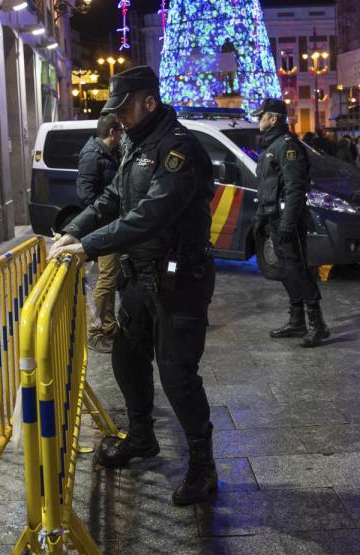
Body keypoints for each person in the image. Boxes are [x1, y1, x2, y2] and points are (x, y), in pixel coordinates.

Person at [49, 65, 218, 505]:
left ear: (149, 102)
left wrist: (87, 246)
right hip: (139, 277)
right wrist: (75, 230)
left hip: (179, 280)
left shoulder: (179, 150)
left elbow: (150, 215)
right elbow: (112, 199)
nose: (118, 117)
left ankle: (203, 467)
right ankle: (142, 437)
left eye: (124, 108)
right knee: (127, 359)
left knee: (178, 375)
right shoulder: (134, 142)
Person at [252, 98, 330, 348]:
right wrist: (263, 217)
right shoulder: (271, 146)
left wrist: (287, 222)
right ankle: (297, 321)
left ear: (273, 119)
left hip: (287, 220)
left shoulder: (287, 147)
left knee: (298, 269)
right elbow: (268, 187)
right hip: (273, 217)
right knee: (286, 270)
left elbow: (295, 188)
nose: (258, 119)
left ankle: (318, 325)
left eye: (261, 115)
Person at [76, 114, 122, 353]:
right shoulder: (93, 155)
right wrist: (104, 216)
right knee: (106, 277)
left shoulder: (108, 154)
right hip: (104, 226)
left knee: (111, 276)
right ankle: (94, 332)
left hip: (112, 223)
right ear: (112, 132)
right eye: (121, 131)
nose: (123, 136)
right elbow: (86, 194)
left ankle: (108, 325)